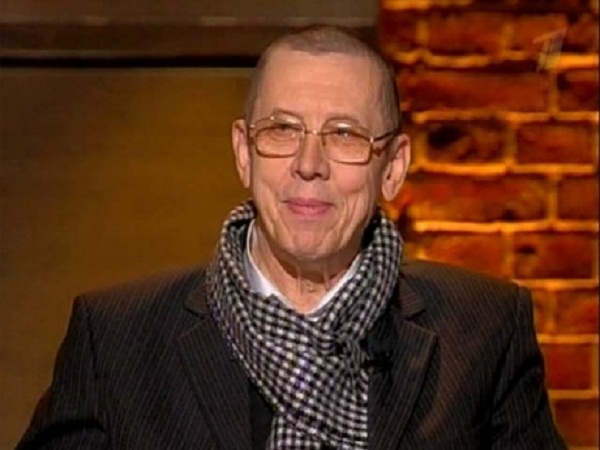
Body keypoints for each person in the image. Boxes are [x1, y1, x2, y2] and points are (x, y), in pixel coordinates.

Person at [17, 25, 566, 450]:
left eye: (344, 134)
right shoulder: (116, 341)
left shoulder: (485, 332)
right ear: (244, 153)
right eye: (282, 130)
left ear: (393, 168)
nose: (309, 164)